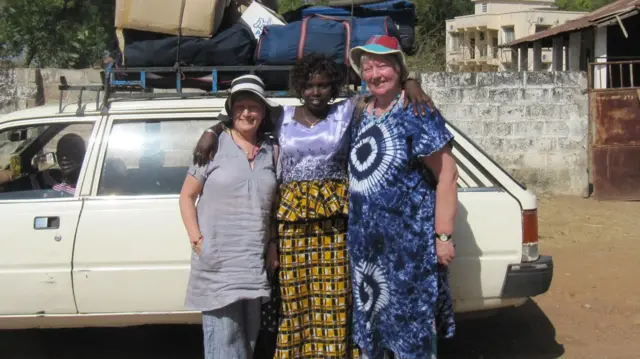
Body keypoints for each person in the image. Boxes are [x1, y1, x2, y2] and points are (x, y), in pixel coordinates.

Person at [192, 53, 434, 359]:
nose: (315, 92)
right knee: (295, 302)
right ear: (299, 87)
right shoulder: (281, 116)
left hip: (335, 225)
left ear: (333, 87)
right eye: (309, 85)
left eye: (322, 85)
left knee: (334, 300)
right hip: (292, 226)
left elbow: (381, 91)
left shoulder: (347, 112)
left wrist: (410, 83)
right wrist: (212, 130)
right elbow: (244, 114)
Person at [346, 35, 459, 359]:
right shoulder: (360, 113)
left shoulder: (416, 110)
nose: (374, 74)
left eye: (382, 65)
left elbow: (448, 175)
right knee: (374, 334)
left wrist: (443, 235)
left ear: (398, 69)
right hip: (368, 255)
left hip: (407, 253)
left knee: (410, 335)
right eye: (368, 68)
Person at [179, 75, 280, 359]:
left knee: (246, 344)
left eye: (254, 106)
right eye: (241, 106)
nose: (247, 113)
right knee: (224, 345)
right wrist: (197, 240)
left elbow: (272, 204)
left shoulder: (271, 150)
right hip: (219, 263)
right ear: (231, 109)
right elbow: (187, 196)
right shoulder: (213, 146)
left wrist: (272, 242)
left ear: (263, 111)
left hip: (252, 262)